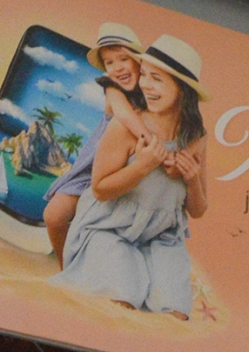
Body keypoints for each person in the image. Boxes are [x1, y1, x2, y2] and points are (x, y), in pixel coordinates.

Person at [50, 34, 208, 319]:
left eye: (157, 79)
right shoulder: (125, 126)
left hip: (162, 239)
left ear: (182, 89)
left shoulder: (195, 137)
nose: (145, 84)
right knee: (123, 298)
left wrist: (192, 178)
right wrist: (142, 166)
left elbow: (198, 210)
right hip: (108, 228)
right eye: (144, 74)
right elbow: (100, 190)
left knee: (176, 312)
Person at [44, 25, 153, 265]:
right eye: (109, 63)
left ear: (139, 62)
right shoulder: (112, 89)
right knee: (53, 215)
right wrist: (151, 141)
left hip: (125, 175)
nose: (117, 67)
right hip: (91, 171)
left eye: (123, 59)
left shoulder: (152, 93)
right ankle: (66, 265)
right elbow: (124, 114)